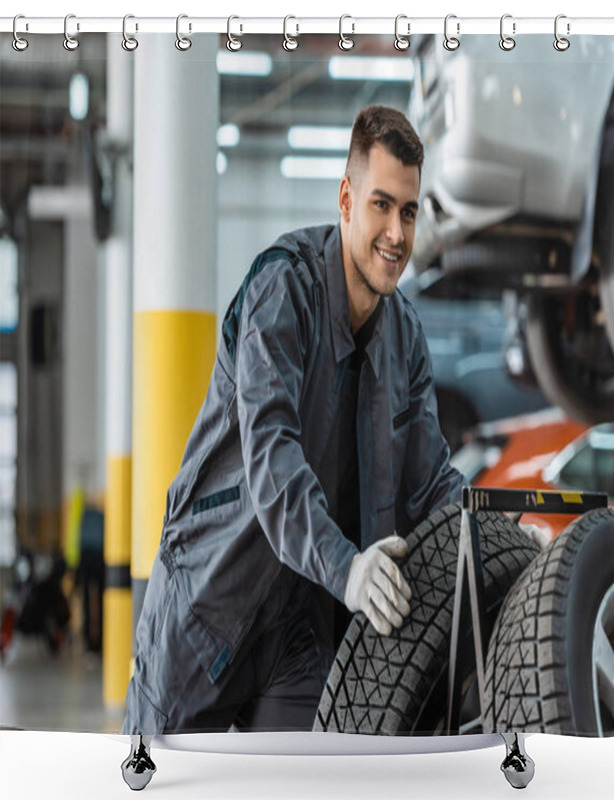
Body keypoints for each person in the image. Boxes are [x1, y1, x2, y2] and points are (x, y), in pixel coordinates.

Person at [122, 105, 465, 739]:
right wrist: (350, 568)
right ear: (346, 198)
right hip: (209, 606)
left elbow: (430, 486)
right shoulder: (282, 291)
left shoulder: (406, 339)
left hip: (301, 630)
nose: (396, 232)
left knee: (303, 780)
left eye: (409, 212)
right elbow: (273, 459)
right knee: (158, 779)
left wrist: (497, 536)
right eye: (382, 205)